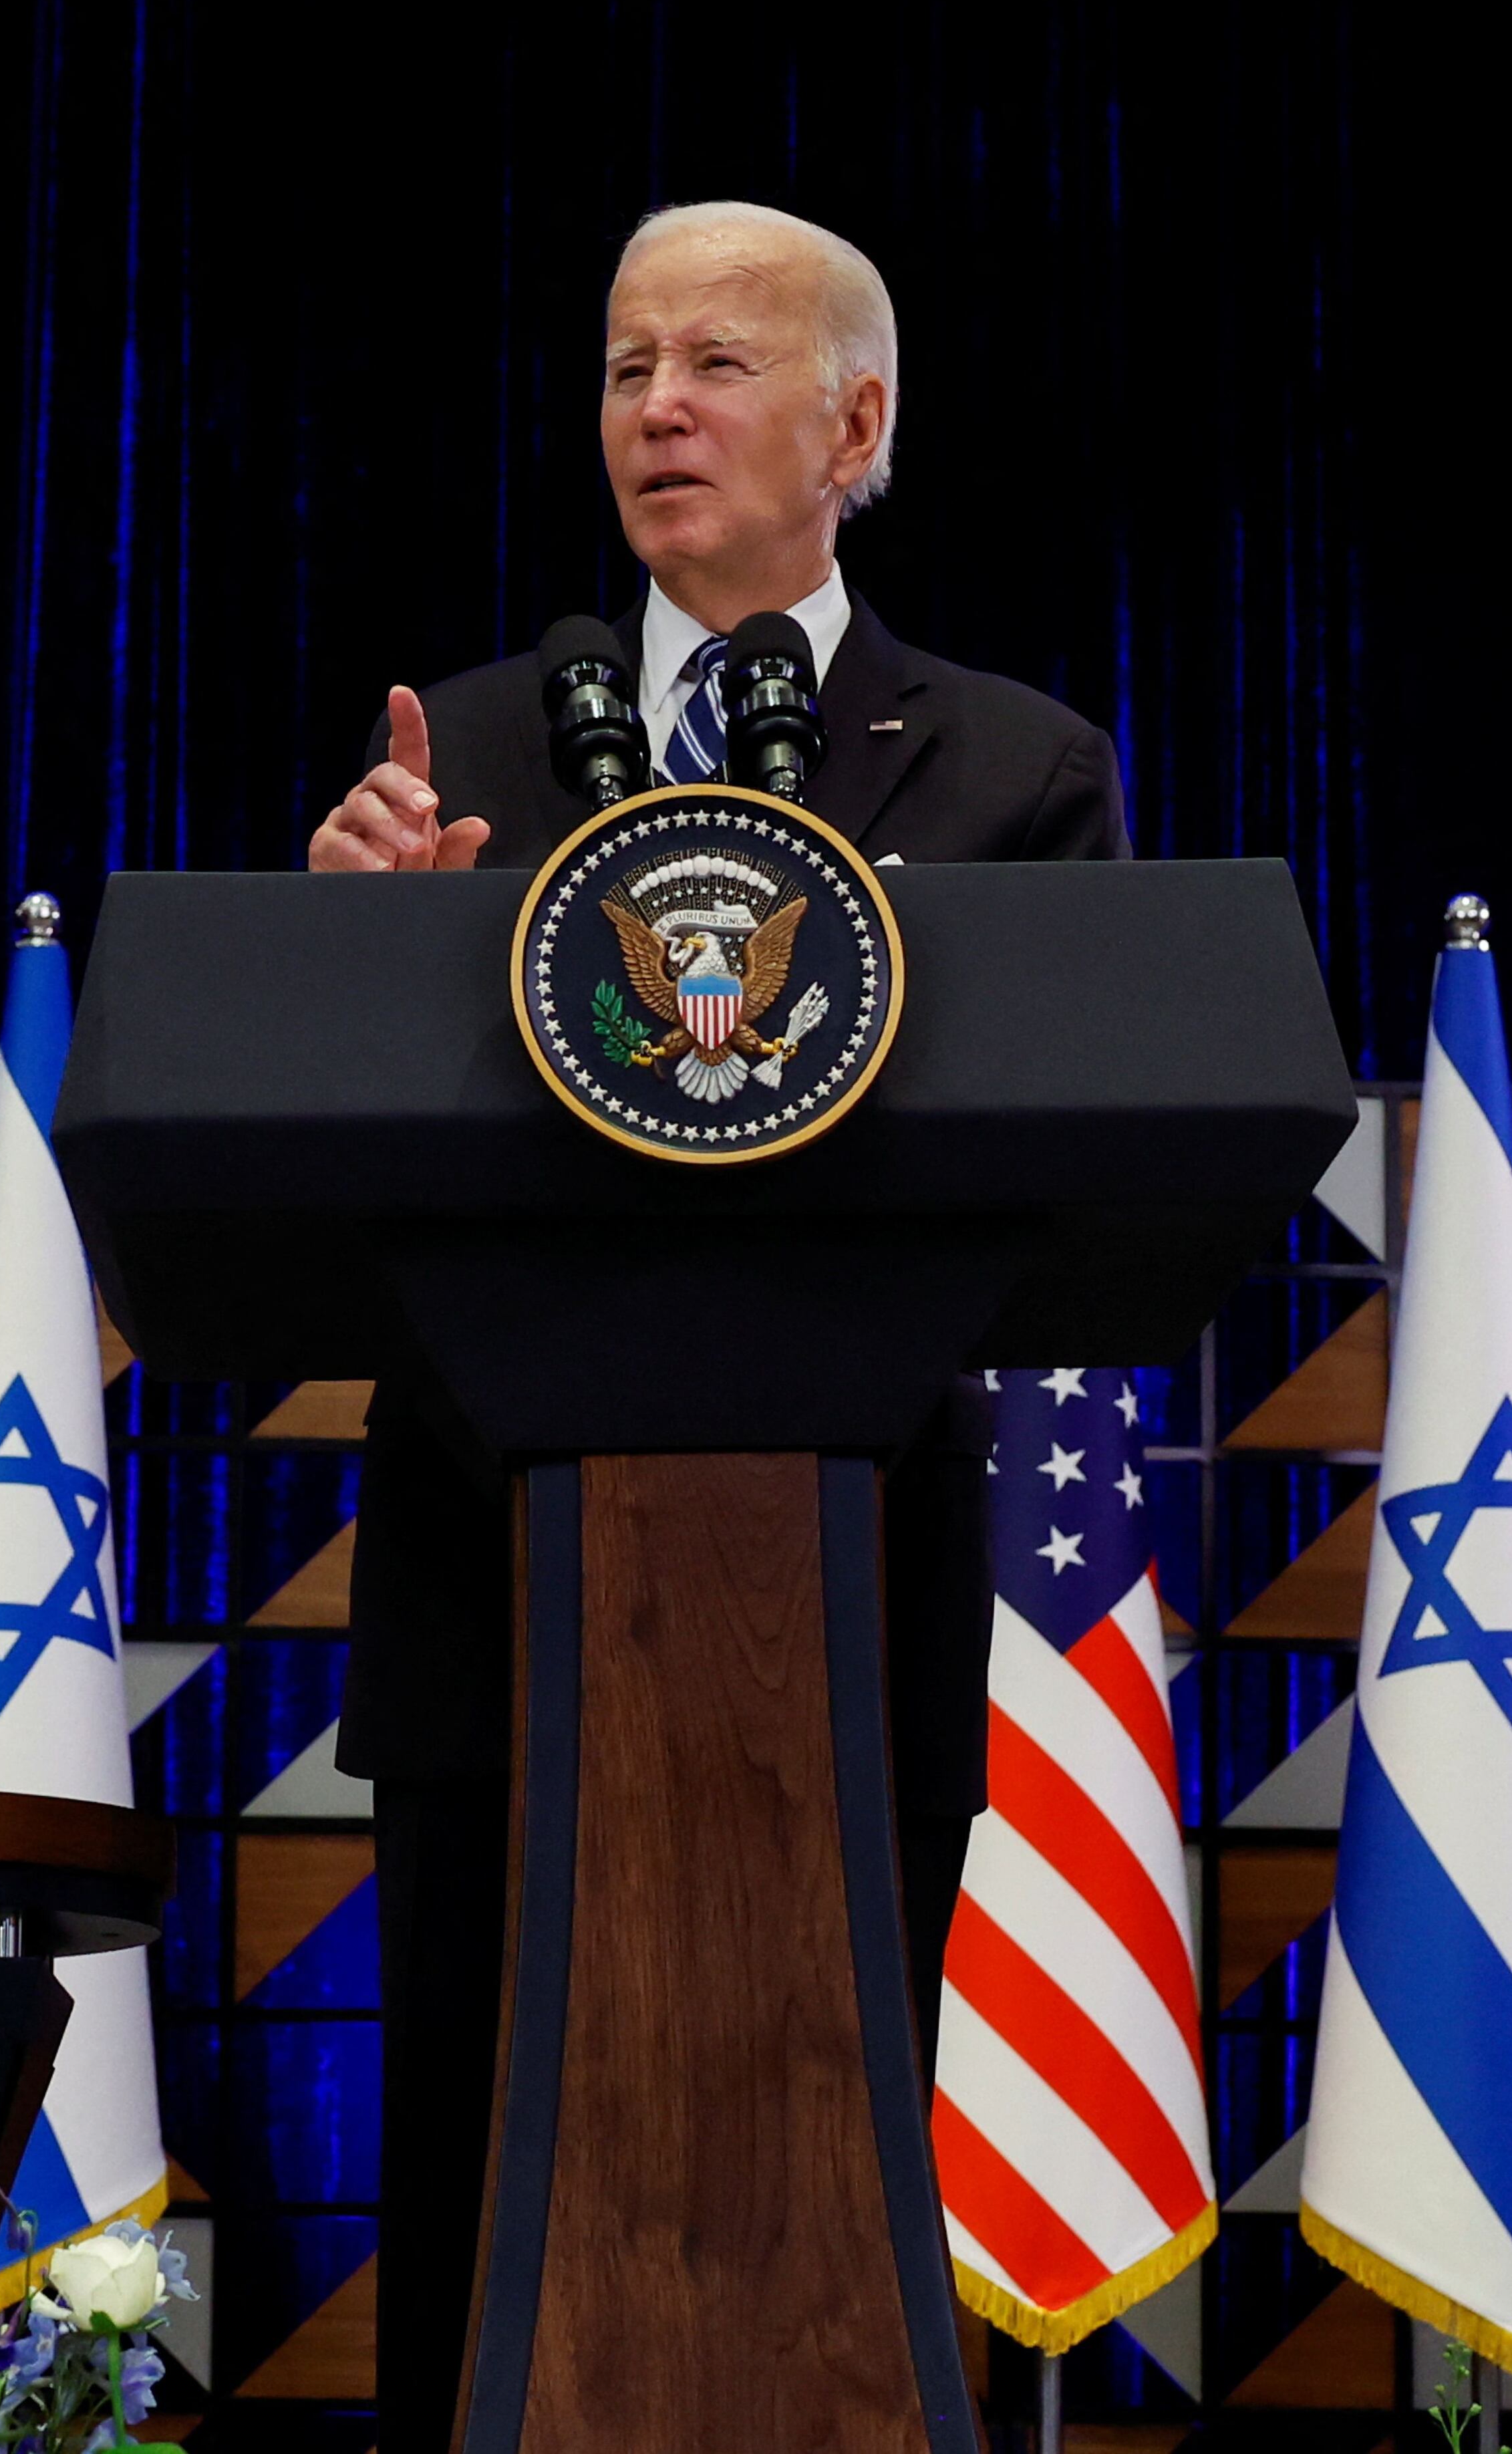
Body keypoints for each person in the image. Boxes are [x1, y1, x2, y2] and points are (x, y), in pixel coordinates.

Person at [307, 198, 1131, 2449]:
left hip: (849, 1595)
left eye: (719, 365)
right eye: (621, 363)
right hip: (501, 1588)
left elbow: (1034, 1191)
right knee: (482, 2201)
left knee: (823, 2195)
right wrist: (356, 965)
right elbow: (323, 1177)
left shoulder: (1013, 774)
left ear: (857, 424)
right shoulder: (453, 754)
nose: (655, 408)